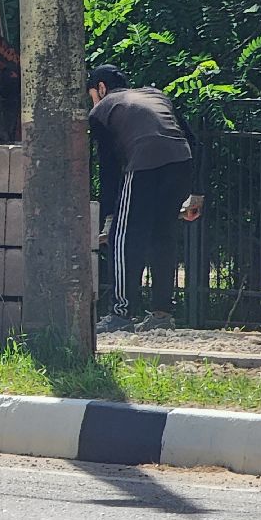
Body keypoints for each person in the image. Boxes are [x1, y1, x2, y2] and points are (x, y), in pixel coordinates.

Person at [87, 64, 204, 334]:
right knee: (162, 235)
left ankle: (121, 313)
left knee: (122, 238)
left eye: (92, 93)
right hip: (180, 164)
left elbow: (109, 168)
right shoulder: (156, 95)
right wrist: (196, 193)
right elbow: (194, 142)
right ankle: (162, 314)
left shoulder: (102, 110)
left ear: (101, 88)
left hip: (143, 165)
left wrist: (108, 218)